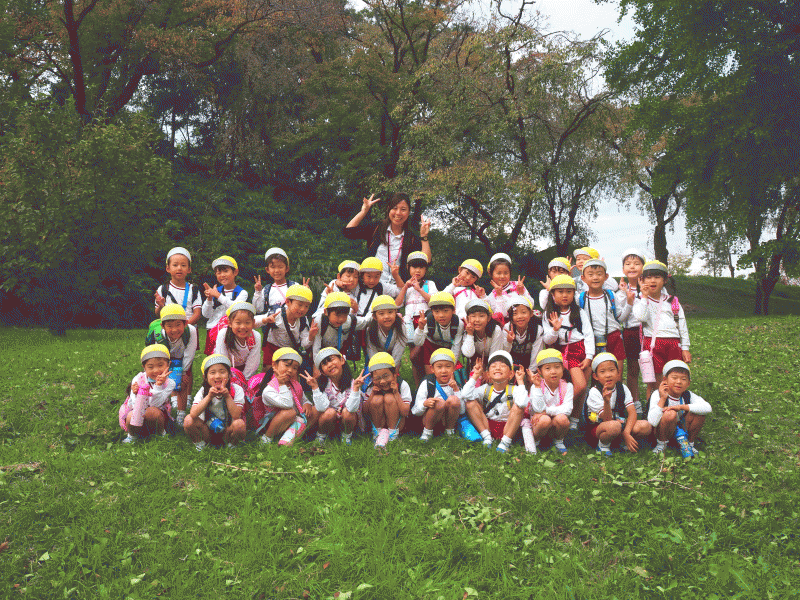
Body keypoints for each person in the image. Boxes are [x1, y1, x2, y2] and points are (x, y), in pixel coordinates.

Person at [343, 192, 432, 285]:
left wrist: (424, 236)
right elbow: (348, 232)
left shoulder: (411, 237)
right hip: (373, 285)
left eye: (403, 209)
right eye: (394, 208)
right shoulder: (377, 228)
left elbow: (426, 261)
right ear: (389, 209)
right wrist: (363, 211)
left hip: (399, 287)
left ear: (408, 212)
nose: (398, 213)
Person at [541, 274, 594, 430]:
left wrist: (589, 356)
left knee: (582, 388)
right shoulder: (548, 313)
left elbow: (588, 334)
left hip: (581, 349)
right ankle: (559, 410)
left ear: (573, 294)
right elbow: (547, 339)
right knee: (579, 386)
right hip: (560, 351)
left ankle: (574, 420)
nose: (565, 295)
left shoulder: (579, 312)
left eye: (569, 292)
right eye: (560, 291)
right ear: (552, 294)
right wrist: (555, 329)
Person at [632, 260, 691, 397]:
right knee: (654, 383)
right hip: (653, 345)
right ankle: (652, 407)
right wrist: (644, 297)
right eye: (648, 277)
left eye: (657, 277)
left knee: (674, 379)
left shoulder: (673, 301)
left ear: (664, 280)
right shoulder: (640, 300)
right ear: (642, 280)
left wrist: (685, 348)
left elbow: (682, 325)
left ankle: (672, 406)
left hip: (673, 344)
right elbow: (641, 317)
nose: (653, 281)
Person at [584, 353, 652, 456]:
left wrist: (626, 432)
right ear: (595, 376)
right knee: (613, 426)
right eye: (602, 372)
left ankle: (621, 441)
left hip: (619, 423)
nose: (608, 375)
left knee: (645, 426)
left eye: (612, 370)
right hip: (600, 428)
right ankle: (603, 445)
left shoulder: (622, 388)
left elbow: (632, 412)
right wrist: (606, 401)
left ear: (618, 372)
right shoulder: (595, 392)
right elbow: (606, 419)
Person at [461, 351, 527, 449]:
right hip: (487, 427)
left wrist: (520, 381)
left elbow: (522, 403)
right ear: (488, 374)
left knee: (518, 407)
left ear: (511, 374)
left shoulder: (515, 390)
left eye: (503, 365)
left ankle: (505, 443)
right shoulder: (485, 389)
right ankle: (487, 438)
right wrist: (476, 375)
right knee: (470, 403)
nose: (497, 368)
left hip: (508, 429)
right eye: (493, 366)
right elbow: (465, 395)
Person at [647, 360, 710, 457]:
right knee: (670, 413)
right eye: (674, 378)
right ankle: (661, 445)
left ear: (688, 383)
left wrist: (681, 407)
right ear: (665, 380)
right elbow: (652, 421)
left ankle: (689, 444)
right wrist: (663, 398)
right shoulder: (657, 394)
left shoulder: (687, 395)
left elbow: (707, 408)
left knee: (699, 413)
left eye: (683, 379)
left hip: (681, 430)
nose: (679, 382)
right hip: (661, 430)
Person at [577, 259, 631, 372]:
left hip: (613, 337)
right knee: (595, 374)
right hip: (591, 340)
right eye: (590, 274)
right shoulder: (580, 298)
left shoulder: (611, 295)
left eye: (599, 274)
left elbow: (620, 317)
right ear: (583, 278)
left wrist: (629, 304)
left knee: (616, 373)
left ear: (606, 276)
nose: (595, 278)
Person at [184, 354, 246, 450]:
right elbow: (193, 414)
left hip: (227, 431)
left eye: (222, 372)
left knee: (239, 424)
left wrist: (227, 396)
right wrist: (209, 396)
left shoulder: (236, 389)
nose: (217, 376)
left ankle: (231, 446)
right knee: (188, 420)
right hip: (207, 431)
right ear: (205, 377)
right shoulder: (203, 391)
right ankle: (200, 444)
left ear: (229, 375)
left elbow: (236, 415)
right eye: (212, 373)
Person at [301, 348, 362, 445]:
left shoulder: (352, 383)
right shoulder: (323, 385)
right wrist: (315, 388)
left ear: (342, 360)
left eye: (331, 359)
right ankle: (321, 436)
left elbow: (352, 408)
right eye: (324, 364)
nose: (329, 365)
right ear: (322, 372)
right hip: (328, 421)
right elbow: (321, 408)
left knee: (348, 412)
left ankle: (346, 437)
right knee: (329, 412)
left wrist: (355, 389)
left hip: (347, 421)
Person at [250, 348, 311, 445]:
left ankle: (288, 438)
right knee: (289, 412)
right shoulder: (269, 390)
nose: (290, 370)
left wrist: (307, 404)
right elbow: (287, 404)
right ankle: (266, 439)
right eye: (287, 365)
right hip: (273, 424)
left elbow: (303, 399)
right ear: (274, 365)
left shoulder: (294, 384)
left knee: (314, 410)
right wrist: (282, 385)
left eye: (295, 368)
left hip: (292, 419)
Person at [394, 250, 437, 385]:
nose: (417, 270)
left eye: (421, 267)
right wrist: (404, 288)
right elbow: (397, 304)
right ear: (408, 268)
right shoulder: (405, 285)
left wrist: (419, 289)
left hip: (426, 321)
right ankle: (419, 388)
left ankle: (430, 384)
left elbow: (434, 301)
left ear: (426, 269)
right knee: (415, 358)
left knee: (426, 354)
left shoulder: (429, 284)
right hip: (410, 323)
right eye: (414, 267)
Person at [119, 345, 175, 443]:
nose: (156, 370)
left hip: (156, 416)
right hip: (137, 413)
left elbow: (154, 404)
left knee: (151, 412)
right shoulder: (138, 379)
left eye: (160, 365)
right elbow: (134, 405)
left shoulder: (169, 383)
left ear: (168, 364)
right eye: (150, 367)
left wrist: (158, 386)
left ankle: (160, 434)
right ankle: (133, 435)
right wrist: (135, 394)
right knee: (132, 415)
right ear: (144, 367)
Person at [255, 284, 316, 370]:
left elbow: (303, 344)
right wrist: (265, 320)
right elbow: (253, 322)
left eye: (306, 306)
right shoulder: (276, 313)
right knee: (268, 372)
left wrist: (310, 337)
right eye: (299, 305)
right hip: (272, 348)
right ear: (287, 302)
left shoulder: (303, 320)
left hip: (289, 352)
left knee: (288, 373)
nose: (302, 309)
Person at [524, 349, 573, 455]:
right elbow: (538, 409)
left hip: (555, 424)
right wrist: (537, 386)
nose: (553, 371)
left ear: (562, 368)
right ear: (540, 371)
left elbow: (568, 409)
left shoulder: (567, 386)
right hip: (538, 424)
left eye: (557, 367)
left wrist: (546, 411)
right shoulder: (537, 386)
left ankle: (558, 440)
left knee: (563, 419)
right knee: (544, 420)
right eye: (548, 368)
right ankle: (536, 440)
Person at [156, 304, 198, 427]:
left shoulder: (191, 331)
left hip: (183, 357)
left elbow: (190, 353)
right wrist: (165, 372)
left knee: (183, 382)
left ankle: (181, 413)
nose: (174, 330)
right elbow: (159, 356)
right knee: (164, 381)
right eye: (169, 326)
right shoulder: (159, 335)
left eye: (178, 325)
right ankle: (166, 406)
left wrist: (184, 372)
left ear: (185, 323)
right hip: (165, 357)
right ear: (163, 326)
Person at [362, 352, 413, 448]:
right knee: (376, 399)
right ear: (372, 378)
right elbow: (364, 411)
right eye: (377, 378)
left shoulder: (402, 385)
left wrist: (396, 393)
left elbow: (405, 412)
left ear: (394, 374)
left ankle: (393, 434)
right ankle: (377, 433)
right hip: (379, 421)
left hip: (398, 424)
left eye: (386, 376)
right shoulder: (371, 387)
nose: (382, 381)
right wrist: (372, 394)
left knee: (389, 398)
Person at [411, 348, 463, 441]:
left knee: (454, 400)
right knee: (439, 403)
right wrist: (424, 404)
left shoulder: (457, 383)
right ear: (432, 369)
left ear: (454, 368)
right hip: (429, 420)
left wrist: (456, 390)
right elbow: (415, 411)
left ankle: (449, 431)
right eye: (439, 367)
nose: (444, 370)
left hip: (447, 420)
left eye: (448, 366)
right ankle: (427, 433)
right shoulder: (427, 383)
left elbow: (462, 411)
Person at [201, 256, 248, 355]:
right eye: (219, 272)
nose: (222, 275)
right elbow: (206, 314)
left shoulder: (242, 293)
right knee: (213, 359)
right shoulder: (215, 291)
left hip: (232, 331)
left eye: (226, 271)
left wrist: (218, 296)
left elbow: (235, 308)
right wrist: (209, 299)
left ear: (235, 272)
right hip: (213, 330)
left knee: (231, 356)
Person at [618, 248, 647, 412]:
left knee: (651, 367)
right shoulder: (621, 292)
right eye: (628, 264)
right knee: (633, 369)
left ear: (643, 267)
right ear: (623, 269)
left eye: (636, 263)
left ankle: (653, 398)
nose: (632, 266)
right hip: (631, 333)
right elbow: (621, 317)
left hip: (648, 332)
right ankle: (634, 401)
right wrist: (628, 300)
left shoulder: (649, 287)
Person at [412, 292, 465, 376]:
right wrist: (420, 328)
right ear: (432, 312)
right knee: (432, 374)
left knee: (449, 373)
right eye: (436, 312)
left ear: (453, 311)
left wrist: (451, 364)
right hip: (430, 345)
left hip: (448, 348)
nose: (441, 315)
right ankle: (423, 380)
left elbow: (456, 347)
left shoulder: (458, 324)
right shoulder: (428, 321)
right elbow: (418, 342)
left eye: (445, 311)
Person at [311, 292, 369, 367]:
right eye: (337, 315)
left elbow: (366, 322)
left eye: (345, 315)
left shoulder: (349, 321)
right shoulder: (320, 321)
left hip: (339, 356)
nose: (341, 319)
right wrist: (318, 365)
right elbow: (316, 347)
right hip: (322, 355)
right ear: (326, 312)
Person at [213, 301, 262, 384]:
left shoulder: (256, 337)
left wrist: (244, 380)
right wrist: (228, 380)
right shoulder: (223, 334)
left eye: (247, 322)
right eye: (238, 323)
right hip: (223, 371)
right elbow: (221, 359)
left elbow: (253, 362)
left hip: (244, 371)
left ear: (253, 323)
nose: (242, 327)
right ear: (230, 323)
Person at [154, 247, 202, 325]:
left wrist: (184, 327)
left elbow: (197, 314)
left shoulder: (193, 289)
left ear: (189, 269)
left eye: (183, 265)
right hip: (169, 329)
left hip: (188, 327)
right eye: (175, 265)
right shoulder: (163, 289)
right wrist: (160, 306)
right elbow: (158, 314)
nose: (179, 268)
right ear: (168, 268)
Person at [485, 253, 533, 324]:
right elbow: (501, 315)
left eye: (506, 273)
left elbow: (531, 305)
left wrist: (522, 293)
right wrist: (499, 296)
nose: (502, 276)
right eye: (498, 273)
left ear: (510, 273)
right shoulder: (492, 295)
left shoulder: (518, 285)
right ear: (491, 274)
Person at [502, 296, 543, 372]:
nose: (520, 316)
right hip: (511, 364)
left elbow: (536, 353)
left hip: (529, 363)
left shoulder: (537, 329)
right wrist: (509, 341)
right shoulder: (507, 328)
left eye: (523, 312)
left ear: (531, 313)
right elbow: (504, 353)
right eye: (515, 314)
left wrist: (530, 372)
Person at [461, 298, 504, 370]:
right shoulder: (467, 330)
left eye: (481, 316)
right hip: (476, 362)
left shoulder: (495, 330)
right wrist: (470, 334)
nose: (477, 320)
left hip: (494, 362)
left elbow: (495, 354)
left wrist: (489, 371)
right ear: (467, 318)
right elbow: (468, 354)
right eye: (473, 316)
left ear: (489, 317)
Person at [252, 247, 298, 315]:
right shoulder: (266, 290)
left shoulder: (295, 286)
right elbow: (258, 309)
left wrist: (305, 293)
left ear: (287, 268)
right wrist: (258, 292)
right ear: (267, 270)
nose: (276, 270)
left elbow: (302, 307)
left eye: (280, 267)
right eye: (273, 267)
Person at [364, 295, 407, 366]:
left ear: (395, 312)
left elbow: (398, 352)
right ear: (374, 316)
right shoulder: (370, 329)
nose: (386, 316)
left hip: (392, 357)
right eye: (381, 313)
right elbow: (371, 351)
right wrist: (377, 366)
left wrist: (393, 366)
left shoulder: (401, 327)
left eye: (390, 312)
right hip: (377, 358)